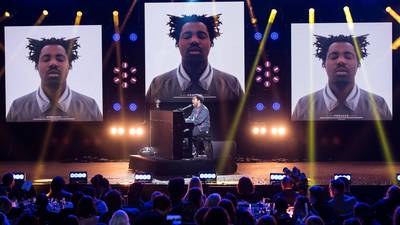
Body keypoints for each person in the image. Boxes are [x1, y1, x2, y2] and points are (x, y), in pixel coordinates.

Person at [146, 14, 243, 104]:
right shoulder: (157, 85)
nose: (194, 41)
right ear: (177, 43)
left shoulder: (232, 84)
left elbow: (246, 121)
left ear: (211, 42)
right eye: (187, 36)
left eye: (201, 36)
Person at [292, 34, 392, 120]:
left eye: (348, 56)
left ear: (358, 63)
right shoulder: (303, 105)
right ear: (324, 63)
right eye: (334, 56)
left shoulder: (379, 104)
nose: (341, 61)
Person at [7, 37, 102, 122]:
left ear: (69, 65)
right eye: (46, 59)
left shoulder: (90, 106)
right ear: (37, 65)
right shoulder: (17, 107)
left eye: (60, 59)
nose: (53, 63)